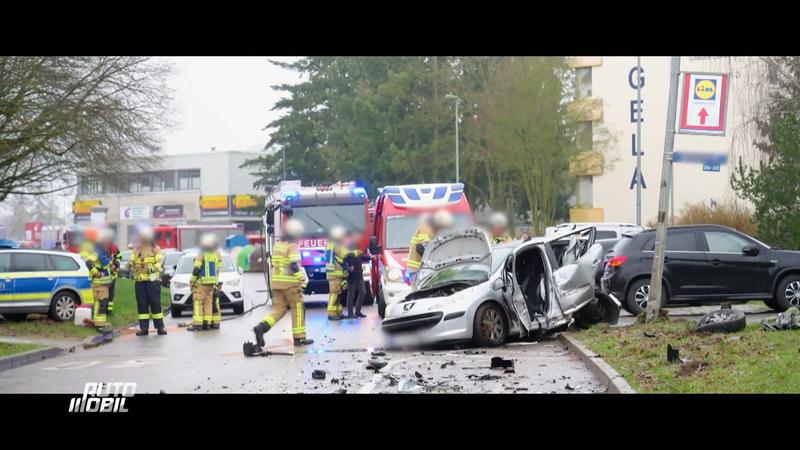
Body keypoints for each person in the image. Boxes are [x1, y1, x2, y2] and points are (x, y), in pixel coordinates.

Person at [252, 218, 314, 349]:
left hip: (276, 284)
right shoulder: (292, 245)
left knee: (278, 310)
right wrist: (301, 280)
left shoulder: (277, 245)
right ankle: (299, 338)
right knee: (298, 309)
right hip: (290, 285)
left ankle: (261, 327)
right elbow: (293, 265)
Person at [130, 226, 166, 336]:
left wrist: (152, 268)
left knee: (155, 304)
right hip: (140, 282)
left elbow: (160, 261)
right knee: (142, 305)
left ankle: (160, 327)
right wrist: (131, 268)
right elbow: (131, 263)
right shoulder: (137, 249)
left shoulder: (155, 248)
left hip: (152, 281)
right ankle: (143, 328)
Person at [407, 209, 454, 288]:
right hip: (417, 269)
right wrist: (433, 259)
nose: (442, 229)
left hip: (419, 270)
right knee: (420, 293)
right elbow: (421, 247)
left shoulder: (431, 231)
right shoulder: (426, 230)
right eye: (442, 227)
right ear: (438, 223)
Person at [188, 233, 223, 331]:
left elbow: (196, 269)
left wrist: (192, 281)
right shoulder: (214, 254)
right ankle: (207, 324)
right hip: (211, 283)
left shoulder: (202, 253)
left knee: (198, 302)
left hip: (202, 283)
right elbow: (217, 268)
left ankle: (197, 325)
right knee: (208, 303)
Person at [342, 234, 370, 319]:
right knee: (351, 294)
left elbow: (360, 256)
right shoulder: (345, 247)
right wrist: (347, 267)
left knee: (363, 292)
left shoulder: (357, 247)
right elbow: (343, 260)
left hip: (359, 273)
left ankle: (357, 311)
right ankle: (350, 313)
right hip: (351, 275)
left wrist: (369, 257)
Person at [324, 226, 348, 321]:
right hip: (334, 273)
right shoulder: (332, 243)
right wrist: (331, 272)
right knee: (334, 293)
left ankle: (338, 312)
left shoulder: (338, 243)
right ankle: (331, 313)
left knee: (338, 293)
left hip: (338, 273)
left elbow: (342, 257)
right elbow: (332, 258)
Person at [97, 229, 121, 316]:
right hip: (104, 275)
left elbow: (119, 256)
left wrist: (116, 264)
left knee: (111, 295)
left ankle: (109, 311)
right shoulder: (100, 248)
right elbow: (103, 260)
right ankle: (103, 310)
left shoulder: (113, 247)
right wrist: (111, 264)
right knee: (104, 294)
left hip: (112, 275)